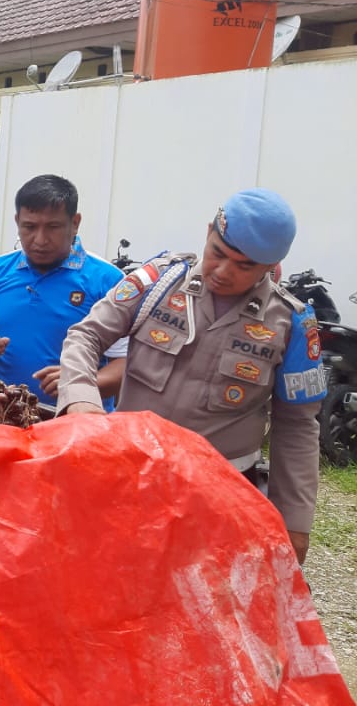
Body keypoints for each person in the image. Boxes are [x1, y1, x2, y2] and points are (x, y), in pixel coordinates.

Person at [56, 188, 325, 565]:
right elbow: (86, 336)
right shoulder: (156, 282)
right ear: (208, 232)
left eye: (244, 266)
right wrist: (82, 402)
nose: (222, 271)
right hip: (129, 479)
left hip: (218, 497)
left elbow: (297, 427)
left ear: (272, 265)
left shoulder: (291, 324)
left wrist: (294, 522)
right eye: (217, 252)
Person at [0, 174, 127, 409]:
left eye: (53, 227)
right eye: (29, 227)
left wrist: (77, 384)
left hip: (75, 423)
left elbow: (126, 363)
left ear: (75, 223)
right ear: (17, 221)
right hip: (1, 415)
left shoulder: (108, 281)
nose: (40, 239)